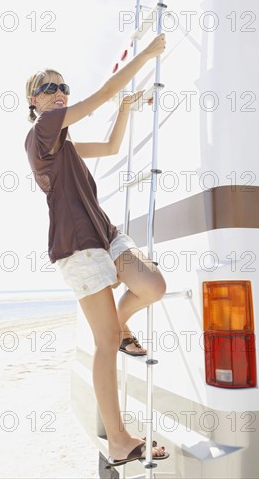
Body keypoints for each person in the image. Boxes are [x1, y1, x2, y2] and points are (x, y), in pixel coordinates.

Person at [24, 33, 169, 467]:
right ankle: (120, 440)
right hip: (78, 249)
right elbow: (103, 92)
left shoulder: (63, 142)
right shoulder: (42, 133)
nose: (60, 93)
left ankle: (121, 327)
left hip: (106, 235)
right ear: (33, 101)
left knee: (152, 284)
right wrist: (145, 54)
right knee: (104, 342)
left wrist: (124, 110)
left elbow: (110, 147)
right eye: (50, 87)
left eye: (63, 86)